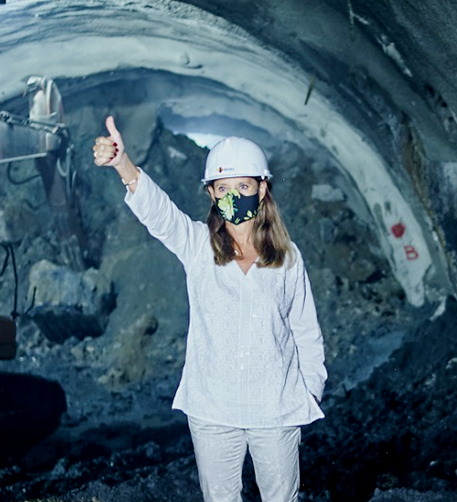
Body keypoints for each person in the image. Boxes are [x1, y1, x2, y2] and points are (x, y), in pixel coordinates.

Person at [92, 116, 326, 502]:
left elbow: (305, 329)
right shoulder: (199, 247)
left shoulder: (286, 258)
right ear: (212, 194)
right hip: (214, 410)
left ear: (262, 189)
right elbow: (160, 215)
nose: (234, 195)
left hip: (276, 409)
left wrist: (310, 390)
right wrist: (123, 164)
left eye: (244, 186)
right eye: (224, 187)